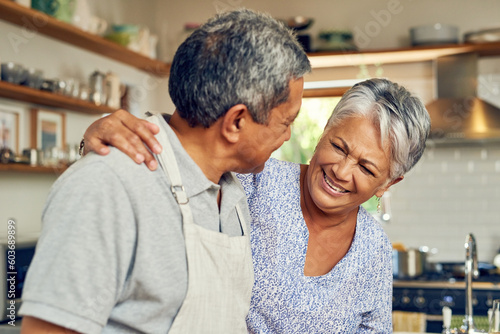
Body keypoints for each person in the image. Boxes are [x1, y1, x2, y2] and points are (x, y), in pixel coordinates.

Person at [19, 9, 311, 333]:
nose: (287, 136)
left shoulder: (234, 191)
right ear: (236, 122)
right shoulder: (107, 186)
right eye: (286, 122)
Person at [82, 78, 431, 332]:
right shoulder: (252, 180)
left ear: (387, 184)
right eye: (339, 147)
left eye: (367, 168)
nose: (341, 171)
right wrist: (102, 138)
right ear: (324, 131)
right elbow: (181, 154)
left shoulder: (374, 249)